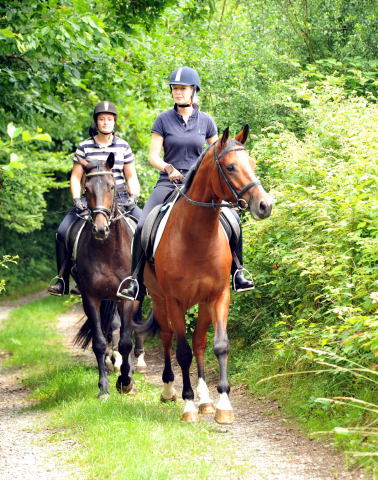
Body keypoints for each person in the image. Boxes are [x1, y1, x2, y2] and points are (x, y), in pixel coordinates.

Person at [119, 66, 254, 301]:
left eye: (182, 88)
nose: (177, 92)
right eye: (175, 88)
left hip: (198, 184)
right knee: (143, 224)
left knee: (232, 220)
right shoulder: (163, 120)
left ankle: (238, 271)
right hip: (168, 182)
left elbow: (217, 153)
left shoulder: (206, 121)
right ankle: (135, 280)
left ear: (193, 91)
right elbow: (153, 156)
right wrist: (168, 168)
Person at [48, 101, 142, 296]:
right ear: (96, 122)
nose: (105, 123)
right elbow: (75, 177)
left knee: (144, 230)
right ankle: (63, 279)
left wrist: (134, 196)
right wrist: (77, 200)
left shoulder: (123, 146)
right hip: (91, 199)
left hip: (120, 198)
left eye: (109, 119)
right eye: (102, 119)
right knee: (62, 231)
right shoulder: (85, 147)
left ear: (114, 122)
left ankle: (141, 280)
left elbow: (131, 176)